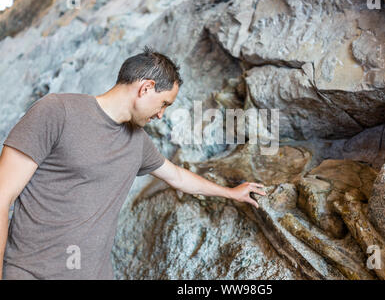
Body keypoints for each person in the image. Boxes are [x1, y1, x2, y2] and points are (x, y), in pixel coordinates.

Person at [0, 46, 266, 280]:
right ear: (146, 87)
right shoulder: (57, 111)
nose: (161, 114)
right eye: (164, 103)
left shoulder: (138, 142)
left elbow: (178, 177)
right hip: (30, 273)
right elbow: (2, 196)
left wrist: (231, 193)